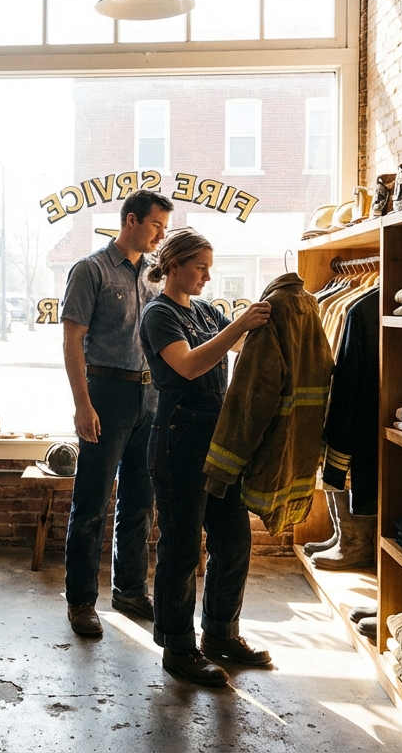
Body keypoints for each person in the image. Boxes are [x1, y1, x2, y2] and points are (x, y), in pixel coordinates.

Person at [139, 228, 273, 686]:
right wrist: (240, 324)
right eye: (201, 268)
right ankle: (178, 647)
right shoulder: (158, 314)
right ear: (173, 266)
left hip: (219, 437)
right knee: (181, 546)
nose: (208, 278)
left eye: (209, 268)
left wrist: (275, 319)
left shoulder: (206, 311)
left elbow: (241, 346)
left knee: (234, 538)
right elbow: (190, 365)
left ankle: (220, 633)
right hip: (179, 438)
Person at [60, 189, 174, 638]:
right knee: (92, 501)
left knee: (140, 501)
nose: (161, 235)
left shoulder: (155, 275)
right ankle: (81, 601)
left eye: (164, 227)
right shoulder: (91, 270)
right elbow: (72, 341)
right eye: (156, 225)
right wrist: (82, 404)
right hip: (106, 393)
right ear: (131, 220)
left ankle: (129, 590)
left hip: (151, 396)